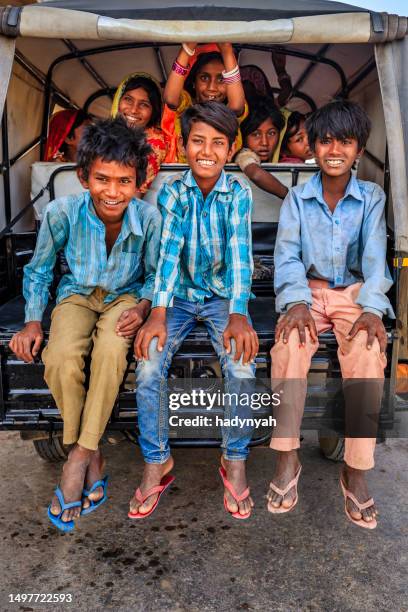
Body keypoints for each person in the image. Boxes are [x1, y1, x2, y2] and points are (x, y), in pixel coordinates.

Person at [9, 117, 162, 532]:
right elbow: (39, 271)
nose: (113, 191)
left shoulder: (149, 220)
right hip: (76, 293)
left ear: (140, 183)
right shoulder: (62, 212)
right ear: (82, 176)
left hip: (126, 297)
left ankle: (77, 456)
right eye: (102, 179)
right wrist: (31, 322)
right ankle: (91, 450)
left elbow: (154, 275)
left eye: (124, 181)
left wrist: (145, 306)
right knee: (58, 358)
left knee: (113, 351)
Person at [267, 100, 394, 529]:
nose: (334, 149)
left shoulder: (371, 198)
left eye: (345, 141)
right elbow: (286, 257)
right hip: (308, 291)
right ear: (313, 148)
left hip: (354, 294)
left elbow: (377, 260)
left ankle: (355, 471)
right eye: (324, 140)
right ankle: (287, 459)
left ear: (359, 149)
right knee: (288, 345)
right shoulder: (298, 199)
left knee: (366, 351)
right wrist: (297, 301)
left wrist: (373, 308)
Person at [129, 102, 259, 520]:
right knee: (148, 366)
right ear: (183, 146)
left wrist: (238, 312)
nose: (207, 151)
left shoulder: (239, 192)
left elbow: (241, 257)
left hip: (224, 298)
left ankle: (234, 459)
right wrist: (159, 311)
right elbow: (167, 254)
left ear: (230, 148)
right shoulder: (173, 193)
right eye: (198, 141)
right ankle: (157, 461)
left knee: (242, 368)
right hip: (180, 296)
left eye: (218, 143)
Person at [162, 43, 248, 162]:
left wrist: (227, 52)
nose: (212, 87)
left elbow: (237, 106)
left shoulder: (229, 114)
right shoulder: (186, 106)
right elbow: (170, 98)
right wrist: (187, 48)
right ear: (194, 82)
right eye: (204, 78)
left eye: (221, 79)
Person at [111, 72, 167, 196]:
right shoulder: (111, 135)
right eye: (128, 99)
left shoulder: (153, 142)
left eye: (144, 104)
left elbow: (132, 196)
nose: (133, 110)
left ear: (154, 111)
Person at [235, 97, 288, 199]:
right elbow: (255, 174)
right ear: (244, 136)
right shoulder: (244, 154)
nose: (264, 142)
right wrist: (289, 195)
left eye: (271, 133)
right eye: (256, 134)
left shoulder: (282, 155)